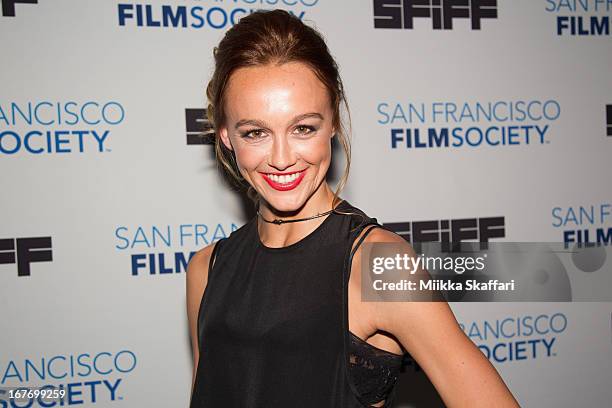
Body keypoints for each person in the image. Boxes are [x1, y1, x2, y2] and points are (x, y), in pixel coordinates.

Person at [186, 9, 520, 408]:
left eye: (303, 128)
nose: (280, 158)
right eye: (255, 132)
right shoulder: (207, 268)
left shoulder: (380, 265)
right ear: (226, 136)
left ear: (333, 125)